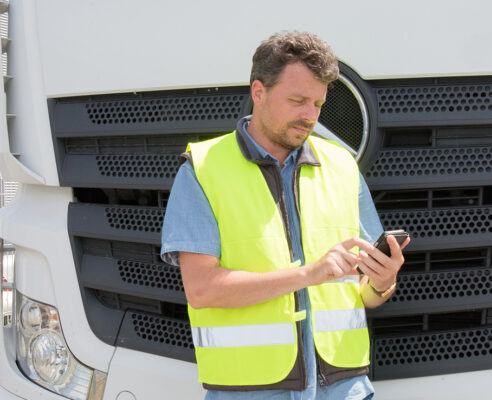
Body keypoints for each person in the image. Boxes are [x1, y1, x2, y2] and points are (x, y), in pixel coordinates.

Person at [160, 31, 408, 400]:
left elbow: (364, 293)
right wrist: (308, 274)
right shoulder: (202, 170)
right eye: (297, 101)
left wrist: (383, 282)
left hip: (345, 388)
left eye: (318, 104)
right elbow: (201, 289)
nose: (310, 116)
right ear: (258, 92)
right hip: (250, 392)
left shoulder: (341, 165)